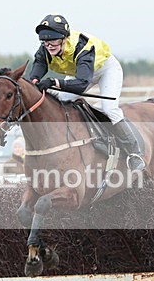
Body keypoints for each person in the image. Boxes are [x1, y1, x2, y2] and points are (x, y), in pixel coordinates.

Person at [27, 14, 145, 171]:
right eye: (45, 41)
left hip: (105, 70)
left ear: (64, 38)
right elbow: (39, 64)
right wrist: (34, 81)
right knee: (62, 100)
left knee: (110, 109)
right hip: (80, 72)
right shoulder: (46, 48)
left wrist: (54, 82)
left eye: (53, 40)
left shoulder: (82, 47)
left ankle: (134, 153)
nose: (49, 45)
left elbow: (82, 84)